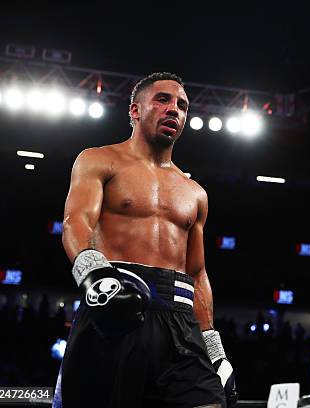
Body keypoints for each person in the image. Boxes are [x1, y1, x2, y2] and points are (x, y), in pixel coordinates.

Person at [53, 72, 237, 408]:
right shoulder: (99, 159)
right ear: (135, 111)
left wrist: (215, 348)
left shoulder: (195, 193)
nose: (174, 110)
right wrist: (96, 279)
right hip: (115, 305)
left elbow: (197, 275)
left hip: (180, 325)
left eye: (182, 105)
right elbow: (75, 222)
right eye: (163, 100)